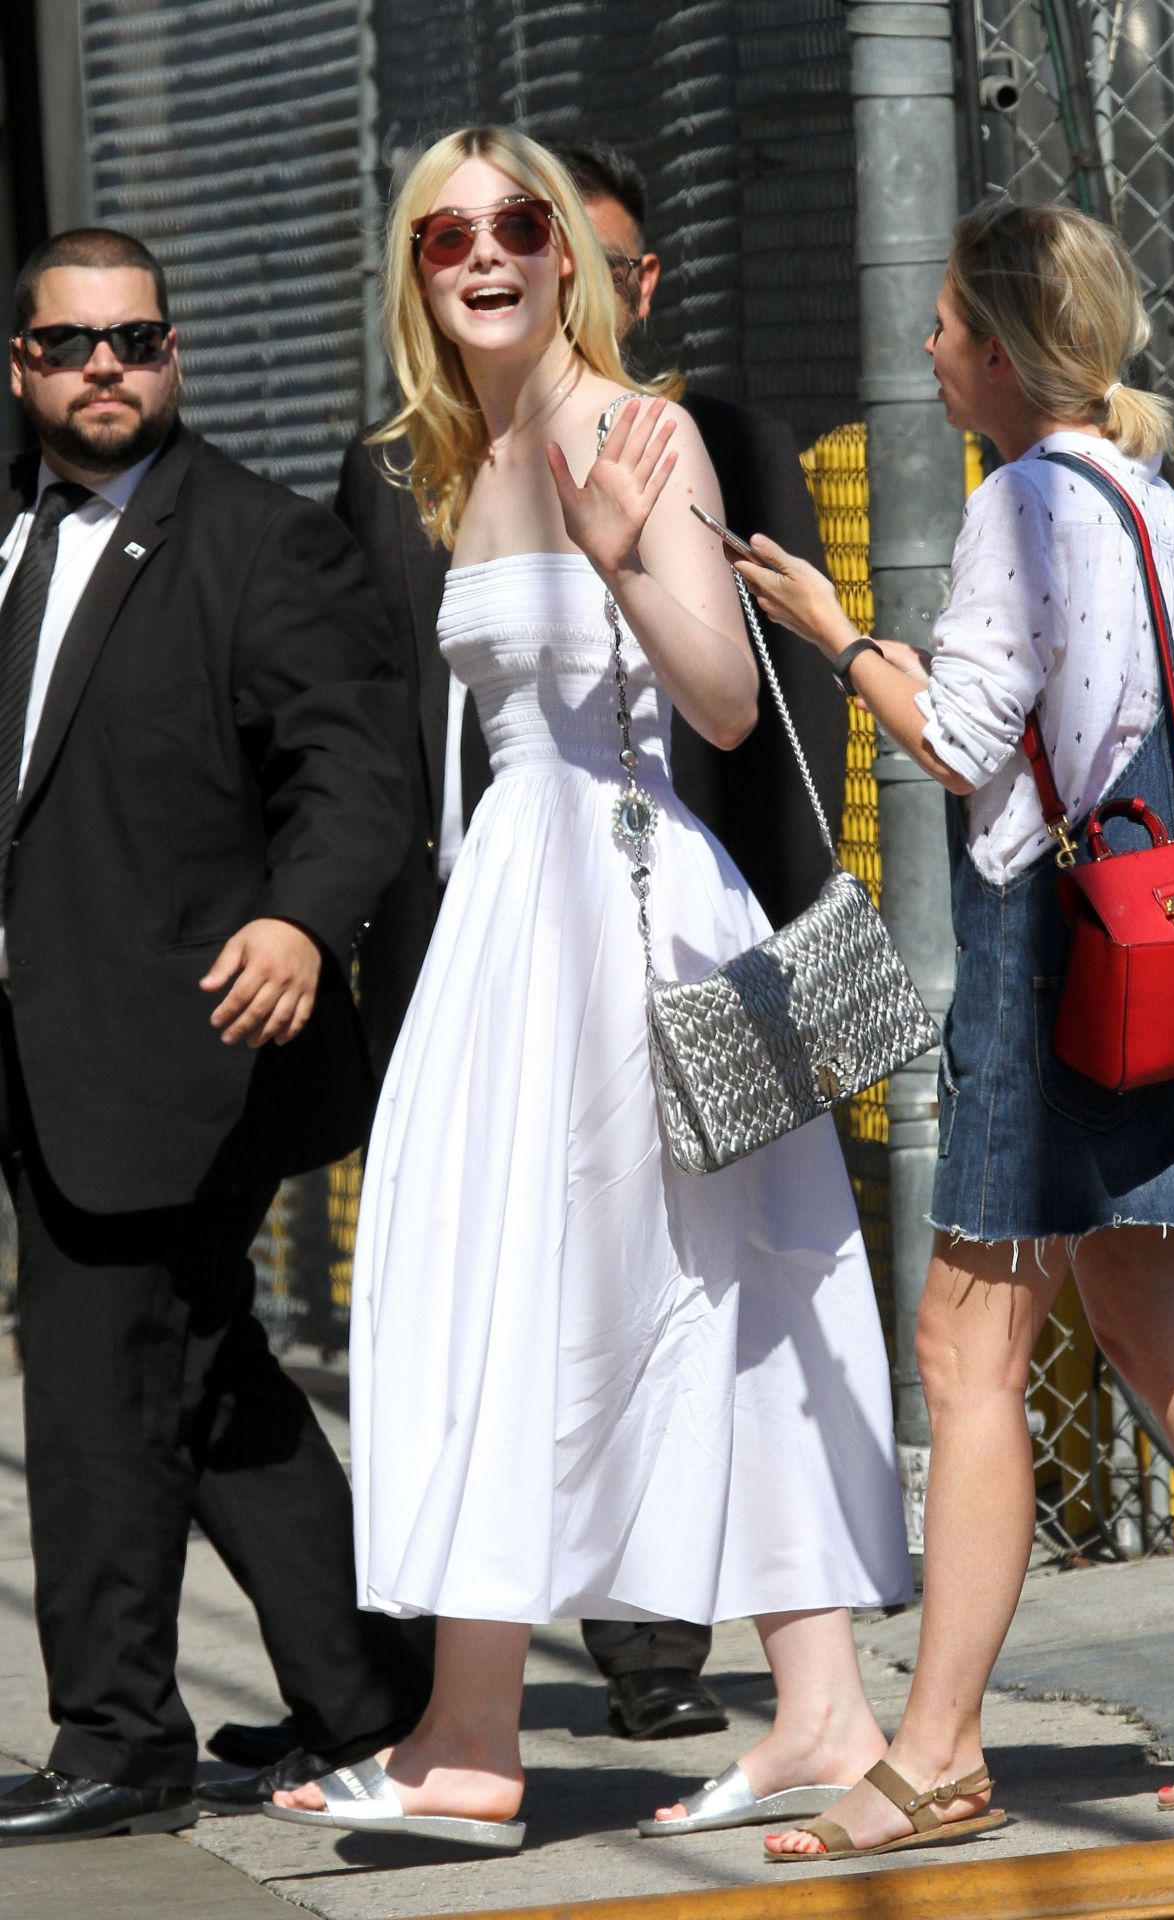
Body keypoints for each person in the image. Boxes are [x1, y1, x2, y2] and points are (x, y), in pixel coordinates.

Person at [268, 123, 910, 1851]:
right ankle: (499, 1731)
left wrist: (630, 552)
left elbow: (714, 705)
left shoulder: (644, 430)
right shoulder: (454, 456)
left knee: (723, 1288)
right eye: (443, 233)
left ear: (573, 256)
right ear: (416, 271)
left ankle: (779, 1711)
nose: (482, 251)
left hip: (631, 926)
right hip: (510, 928)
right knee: (487, 1284)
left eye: (517, 223)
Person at [732, 200, 1174, 1861]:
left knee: (967, 1355)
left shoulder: (1021, 505)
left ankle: (939, 1751)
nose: (926, 351)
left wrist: (836, 639)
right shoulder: (1152, 498)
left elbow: (968, 743)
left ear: (1001, 345)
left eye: (949, 325)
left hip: (1047, 953)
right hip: (1147, 939)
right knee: (1164, 1342)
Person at [0, 228, 430, 1846]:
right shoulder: (14, 540)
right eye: (69, 344)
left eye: (135, 340)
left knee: (105, 1378)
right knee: (199, 1366)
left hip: (195, 1039)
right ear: (22, 365)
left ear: (174, 356)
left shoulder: (259, 543)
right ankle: (366, 1690)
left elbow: (355, 765)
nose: (104, 366)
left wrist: (302, 918)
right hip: (50, 1041)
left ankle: (118, 1740)